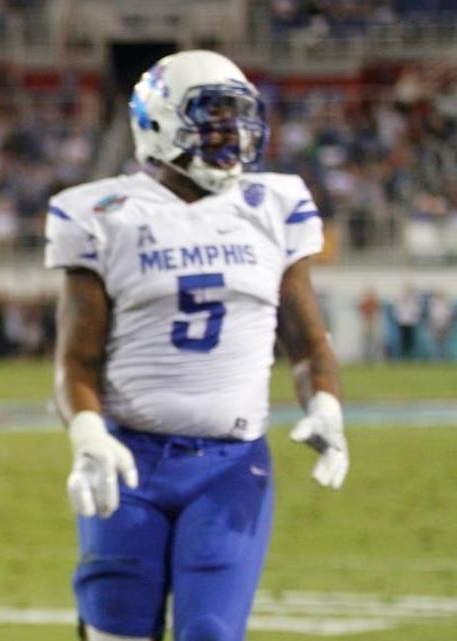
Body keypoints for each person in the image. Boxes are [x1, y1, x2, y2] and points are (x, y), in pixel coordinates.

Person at [44, 50, 349, 641]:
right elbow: (76, 359)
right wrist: (88, 439)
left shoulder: (273, 205)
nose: (232, 133)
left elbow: (309, 343)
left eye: (239, 117)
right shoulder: (102, 212)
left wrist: (327, 407)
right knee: (115, 633)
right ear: (158, 122)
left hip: (230, 462)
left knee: (210, 631)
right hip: (129, 455)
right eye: (212, 117)